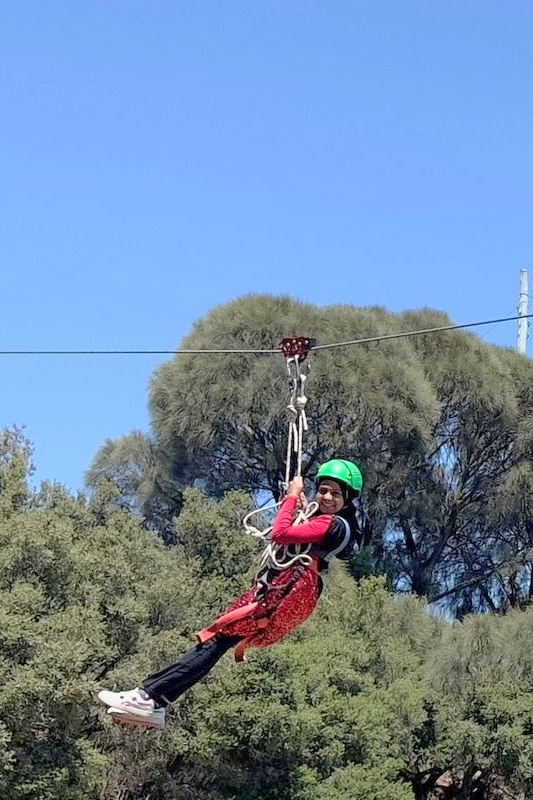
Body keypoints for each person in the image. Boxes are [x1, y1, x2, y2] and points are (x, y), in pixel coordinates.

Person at [98, 458, 363, 729]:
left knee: (217, 638)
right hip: (295, 591)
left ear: (347, 500)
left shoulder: (333, 525)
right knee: (218, 642)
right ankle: (155, 701)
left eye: (336, 493)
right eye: (324, 490)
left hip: (290, 588)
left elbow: (280, 533)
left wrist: (292, 497)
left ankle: (148, 697)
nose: (327, 496)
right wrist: (300, 504)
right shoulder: (335, 525)